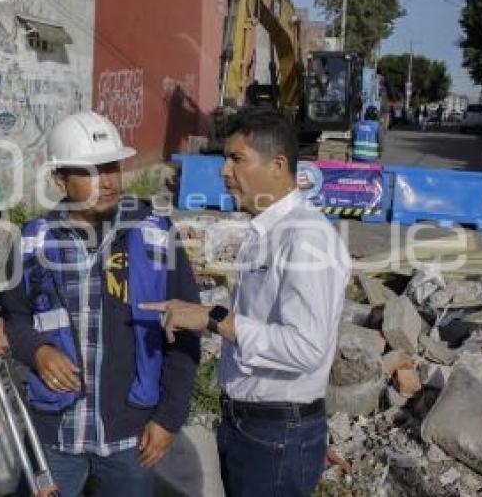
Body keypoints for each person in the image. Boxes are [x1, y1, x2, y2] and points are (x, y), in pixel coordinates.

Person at [143, 108, 351, 497]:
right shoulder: (265, 230)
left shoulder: (305, 238)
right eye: (225, 158)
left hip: (277, 436)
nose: (224, 171)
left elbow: (306, 348)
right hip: (251, 427)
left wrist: (214, 317)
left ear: (278, 165)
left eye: (237, 159)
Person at [1, 111, 200, 497]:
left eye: (111, 166)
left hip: (131, 440)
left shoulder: (156, 236)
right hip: (56, 436)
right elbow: (14, 317)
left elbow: (186, 332)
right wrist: (37, 351)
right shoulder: (33, 242)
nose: (108, 180)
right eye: (92, 170)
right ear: (60, 178)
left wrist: (169, 419)